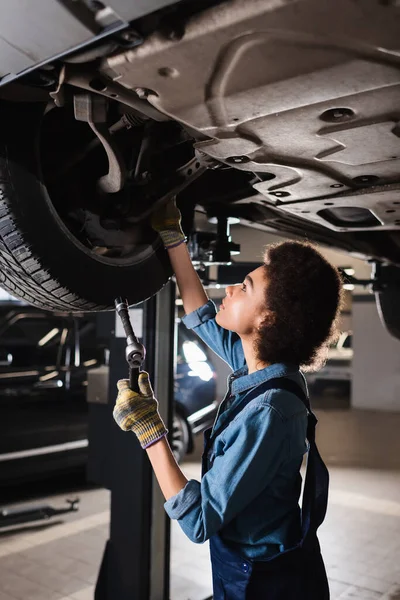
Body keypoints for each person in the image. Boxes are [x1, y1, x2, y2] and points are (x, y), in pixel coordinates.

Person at [113, 200, 343, 599]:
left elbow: (199, 520)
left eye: (246, 287)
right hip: (247, 565)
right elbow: (200, 314)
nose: (231, 288)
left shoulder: (270, 411)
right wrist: (174, 239)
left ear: (267, 320)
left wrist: (149, 430)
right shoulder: (264, 367)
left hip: (261, 581)